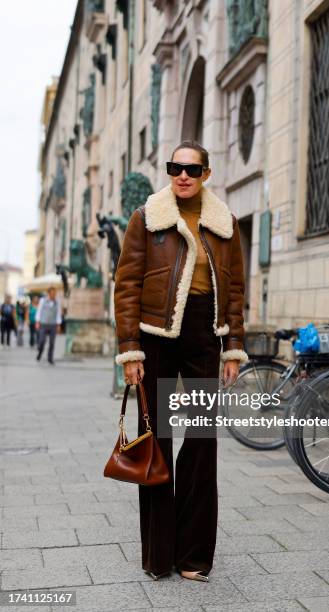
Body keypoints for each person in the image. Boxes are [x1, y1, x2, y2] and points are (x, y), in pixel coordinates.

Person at [114, 140, 248, 582]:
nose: (183, 175)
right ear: (169, 171)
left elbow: (235, 292)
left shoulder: (224, 224)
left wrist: (232, 348)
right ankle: (159, 554)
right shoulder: (147, 218)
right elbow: (127, 285)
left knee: (202, 440)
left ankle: (193, 554)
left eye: (192, 168)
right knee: (159, 439)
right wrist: (130, 349)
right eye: (175, 167)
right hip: (156, 336)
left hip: (203, 335)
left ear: (206, 173)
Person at [35, 286, 62, 364]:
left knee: (52, 342)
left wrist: (58, 324)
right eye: (52, 293)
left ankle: (50, 358)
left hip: (53, 324)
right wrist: (37, 321)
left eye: (55, 293)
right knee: (42, 341)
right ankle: (39, 353)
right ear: (49, 293)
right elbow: (39, 311)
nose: (54, 295)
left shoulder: (57, 301)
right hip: (43, 323)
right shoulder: (43, 300)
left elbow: (58, 313)